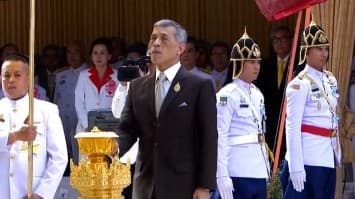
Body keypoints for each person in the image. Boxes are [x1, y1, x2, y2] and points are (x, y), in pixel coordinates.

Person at [118, 19, 217, 199]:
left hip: (182, 184)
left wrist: (205, 185)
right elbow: (127, 130)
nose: (156, 43)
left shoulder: (199, 85)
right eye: (153, 37)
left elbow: (209, 138)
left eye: (164, 38)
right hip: (145, 185)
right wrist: (110, 151)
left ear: (180, 48)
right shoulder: (137, 86)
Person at [280, 21, 341, 198]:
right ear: (306, 51)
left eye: (326, 49)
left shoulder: (331, 80)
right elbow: (291, 127)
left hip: (327, 155)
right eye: (319, 49)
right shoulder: (299, 83)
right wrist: (296, 166)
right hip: (307, 157)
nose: (324, 54)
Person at [0, 54, 68, 199]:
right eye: (6, 75)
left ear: (29, 78)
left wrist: (41, 193)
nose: (11, 80)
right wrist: (13, 136)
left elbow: (59, 157)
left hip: (31, 191)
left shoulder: (47, 110)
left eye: (17, 75)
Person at [214, 30, 269, 199]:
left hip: (258, 168)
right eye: (251, 61)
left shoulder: (258, 93)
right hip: (237, 168)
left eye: (258, 62)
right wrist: (222, 174)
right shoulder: (227, 94)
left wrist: (266, 166)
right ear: (239, 63)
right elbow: (219, 136)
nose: (256, 66)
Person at [255, 25, 294, 154]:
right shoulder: (264, 65)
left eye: (283, 39)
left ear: (291, 40)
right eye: (275, 40)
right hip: (270, 123)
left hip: (290, 122)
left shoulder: (299, 64)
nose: (279, 43)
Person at [54, 40, 87, 167]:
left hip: (80, 122)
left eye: (76, 52)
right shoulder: (60, 75)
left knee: (80, 158)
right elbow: (57, 99)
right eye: (69, 52)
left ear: (83, 54)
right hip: (63, 123)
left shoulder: (89, 73)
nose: (72, 56)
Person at [75, 37, 118, 134]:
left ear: (109, 56)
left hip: (110, 126)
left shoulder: (116, 76)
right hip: (86, 127)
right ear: (91, 56)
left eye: (102, 53)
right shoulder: (83, 75)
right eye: (95, 53)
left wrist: (113, 123)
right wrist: (87, 125)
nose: (99, 56)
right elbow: (79, 103)